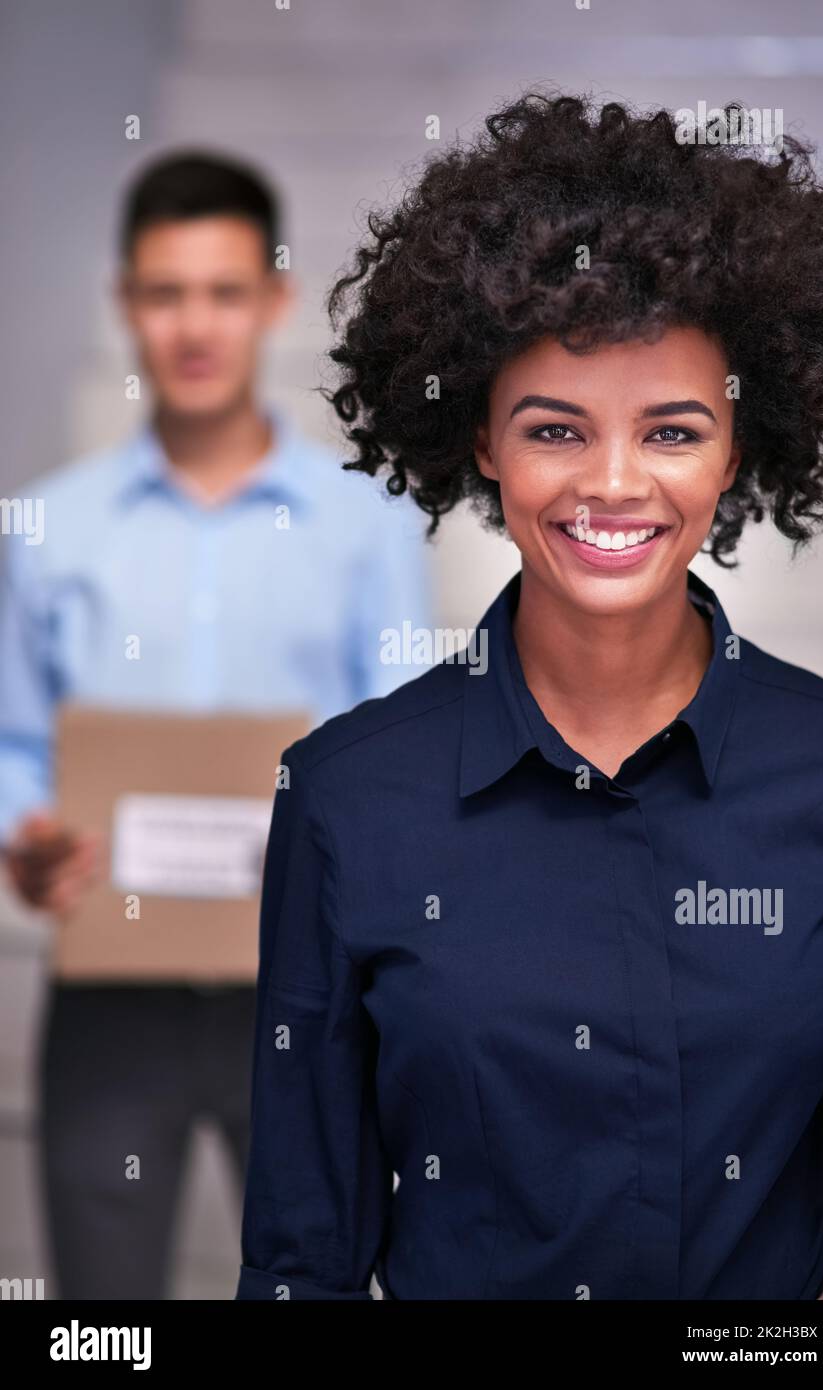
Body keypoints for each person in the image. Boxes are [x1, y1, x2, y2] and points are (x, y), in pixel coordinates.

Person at [236, 91, 823, 1301]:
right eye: (557, 429)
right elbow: (301, 1261)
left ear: (740, 447)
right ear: (480, 438)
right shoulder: (348, 798)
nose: (615, 484)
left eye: (673, 431)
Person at [0, 149, 432, 1299]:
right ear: (126, 303)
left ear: (275, 301)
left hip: (303, 997)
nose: (194, 324)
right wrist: (26, 832)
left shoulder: (366, 525)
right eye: (165, 291)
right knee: (101, 1318)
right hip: (109, 989)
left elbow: (399, 743)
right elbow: (11, 737)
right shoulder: (45, 526)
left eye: (225, 291)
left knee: (319, 1283)